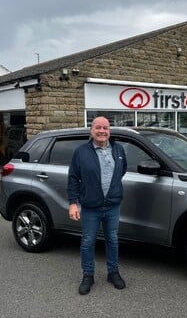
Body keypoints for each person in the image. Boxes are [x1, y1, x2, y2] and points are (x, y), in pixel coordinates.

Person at [67, 116, 127, 295]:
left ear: (109, 131)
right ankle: (88, 275)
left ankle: (113, 272)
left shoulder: (118, 149)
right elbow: (73, 179)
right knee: (87, 242)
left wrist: (112, 189)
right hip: (91, 207)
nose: (102, 131)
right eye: (98, 127)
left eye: (106, 128)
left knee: (113, 240)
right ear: (91, 130)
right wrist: (73, 203)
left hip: (112, 206)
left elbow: (121, 171)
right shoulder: (81, 152)